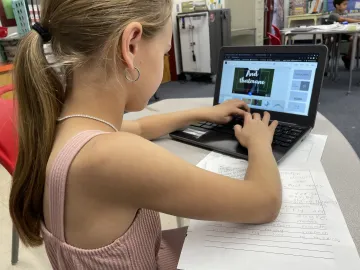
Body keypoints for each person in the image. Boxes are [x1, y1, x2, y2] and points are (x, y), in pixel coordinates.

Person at [9, 0, 282, 269]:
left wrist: (199, 114)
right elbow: (264, 201)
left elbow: (139, 127)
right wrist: (259, 141)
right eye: (165, 52)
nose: (164, 59)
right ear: (131, 45)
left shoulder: (64, 127)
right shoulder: (113, 156)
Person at [329, 0, 360, 69]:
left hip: (343, 33)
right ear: (337, 5)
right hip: (333, 34)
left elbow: (347, 21)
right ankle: (326, 58)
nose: (346, 6)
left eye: (346, 4)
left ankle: (347, 58)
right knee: (329, 39)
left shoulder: (345, 12)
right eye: (344, 4)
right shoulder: (333, 14)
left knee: (356, 37)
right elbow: (342, 19)